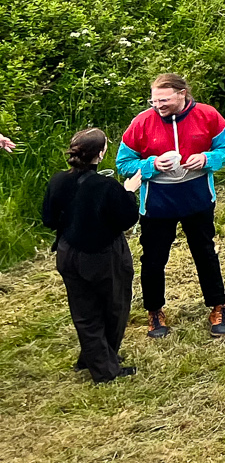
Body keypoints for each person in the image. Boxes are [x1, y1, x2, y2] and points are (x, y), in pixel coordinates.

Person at [117, 72, 225, 340]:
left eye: (164, 100)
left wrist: (207, 159)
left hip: (198, 201)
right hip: (158, 205)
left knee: (205, 253)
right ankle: (154, 311)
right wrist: (151, 165)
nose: (158, 106)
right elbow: (123, 163)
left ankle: (218, 306)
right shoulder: (141, 123)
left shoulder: (207, 116)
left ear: (182, 94)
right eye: (154, 100)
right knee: (154, 260)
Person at [42, 126, 139, 382]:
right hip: (104, 255)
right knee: (114, 308)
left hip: (67, 253)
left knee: (84, 313)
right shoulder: (106, 186)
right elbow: (126, 219)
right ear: (101, 153)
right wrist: (128, 192)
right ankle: (106, 370)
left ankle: (94, 358)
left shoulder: (57, 180)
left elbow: (49, 219)